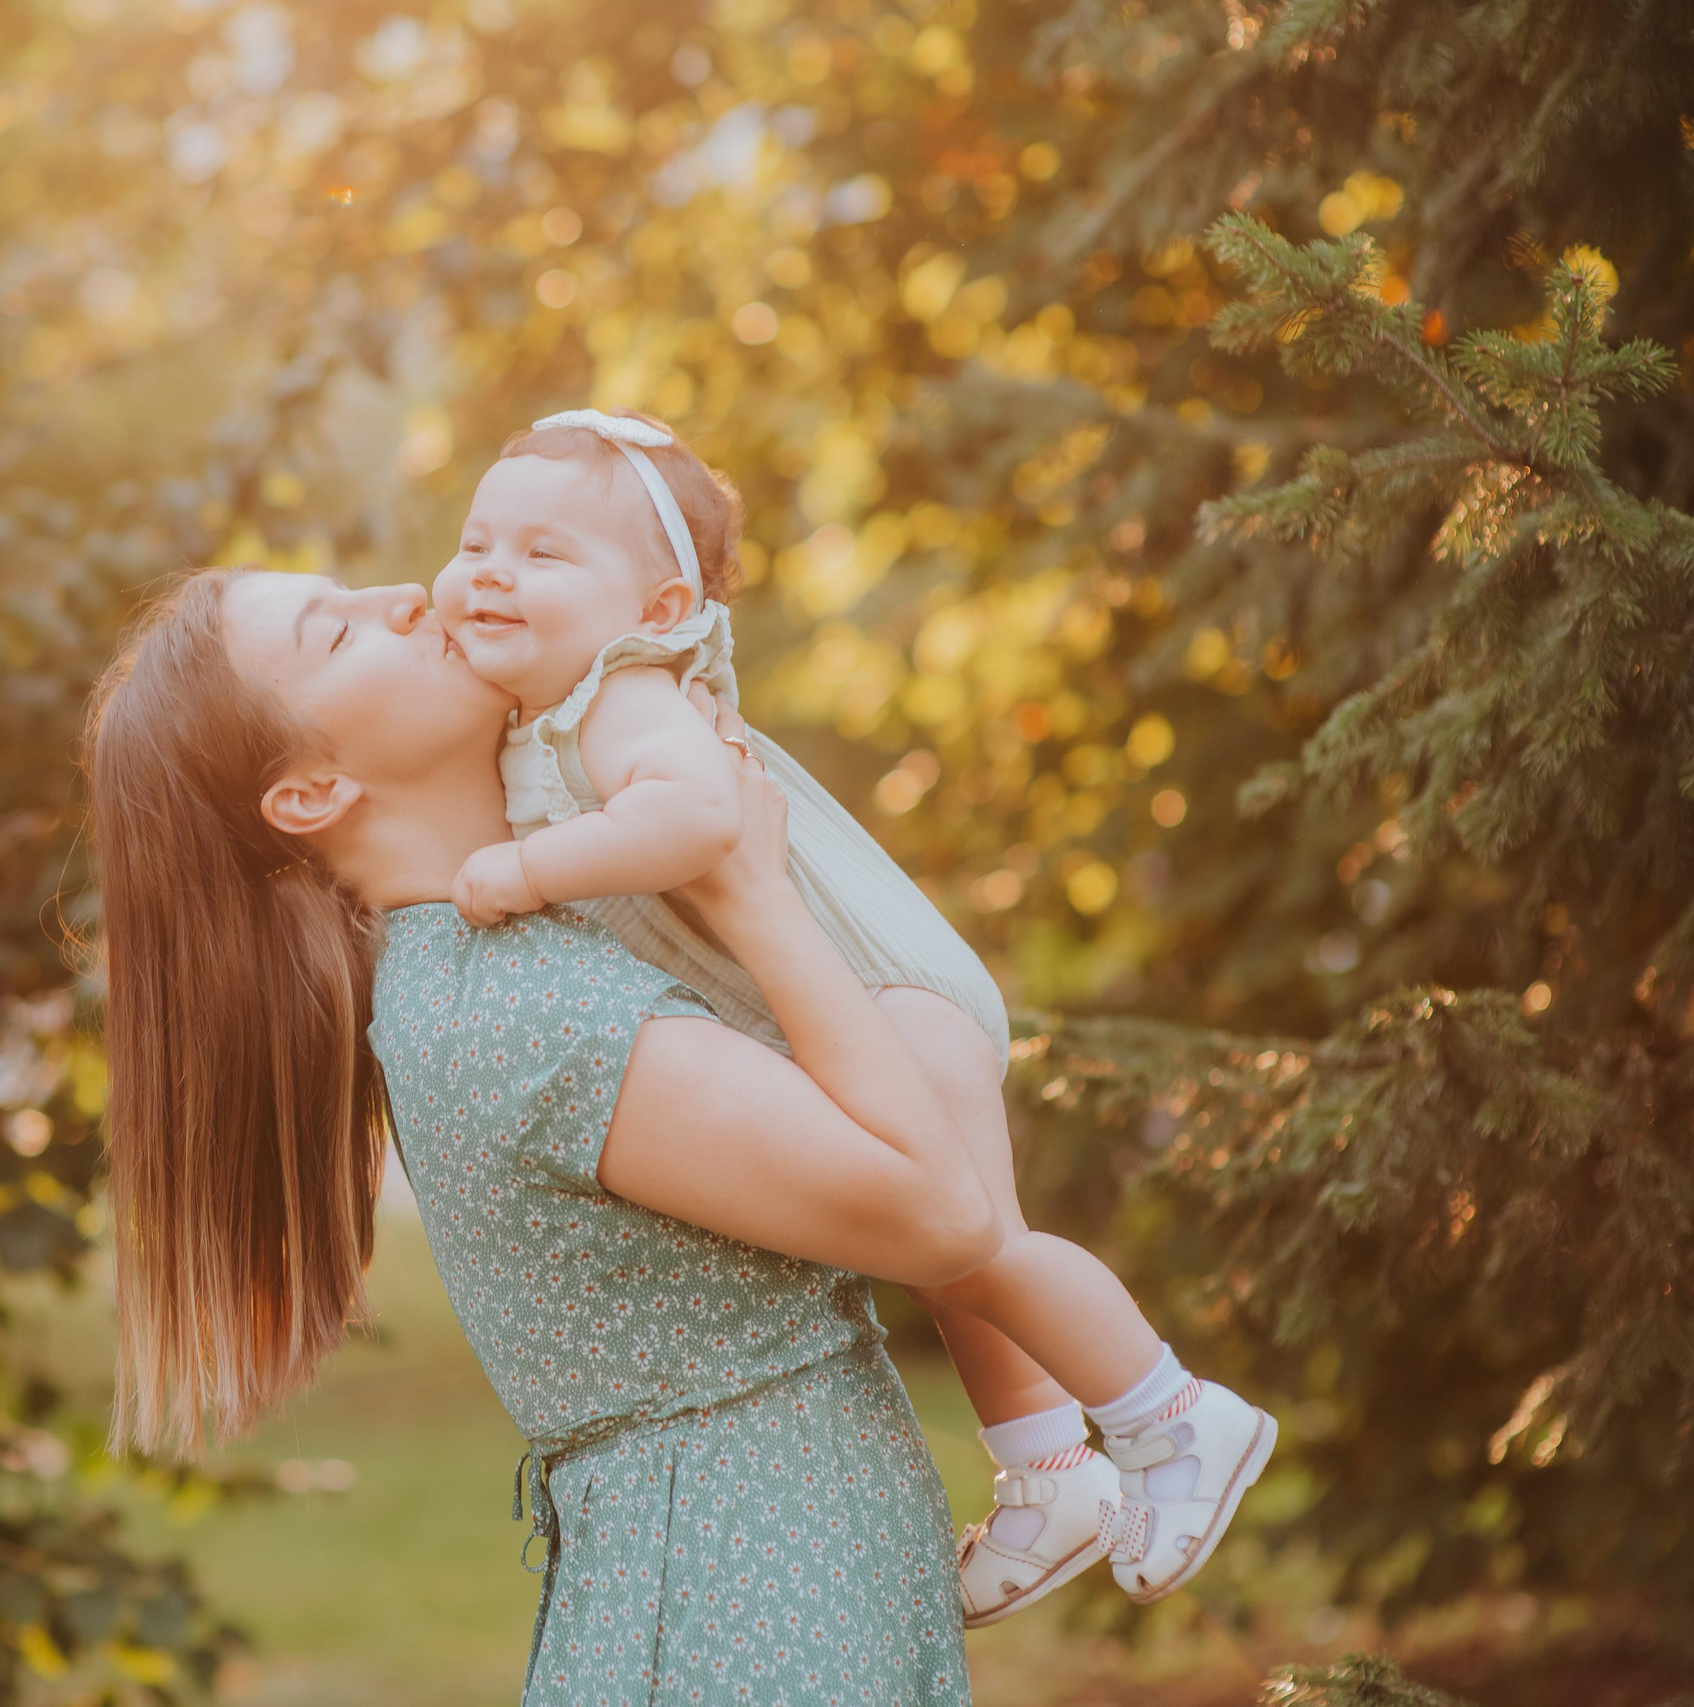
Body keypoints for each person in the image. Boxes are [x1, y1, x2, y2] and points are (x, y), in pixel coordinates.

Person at [89, 566, 998, 1701]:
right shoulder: (519, 1014)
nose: (405, 593)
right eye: (337, 631)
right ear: (313, 791)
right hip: (754, 1618)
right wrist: (751, 893)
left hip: (754, 1593)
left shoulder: (496, 970)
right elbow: (944, 1217)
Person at [429, 408, 1276, 1622]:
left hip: (884, 992)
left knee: (978, 1249)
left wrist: (524, 875)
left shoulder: (625, 702)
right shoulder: (550, 707)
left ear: (661, 610)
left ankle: (1175, 1417)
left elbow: (697, 823)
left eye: (543, 554)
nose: (489, 573)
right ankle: (1050, 1477)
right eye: (474, 544)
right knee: (948, 1260)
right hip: (864, 1002)